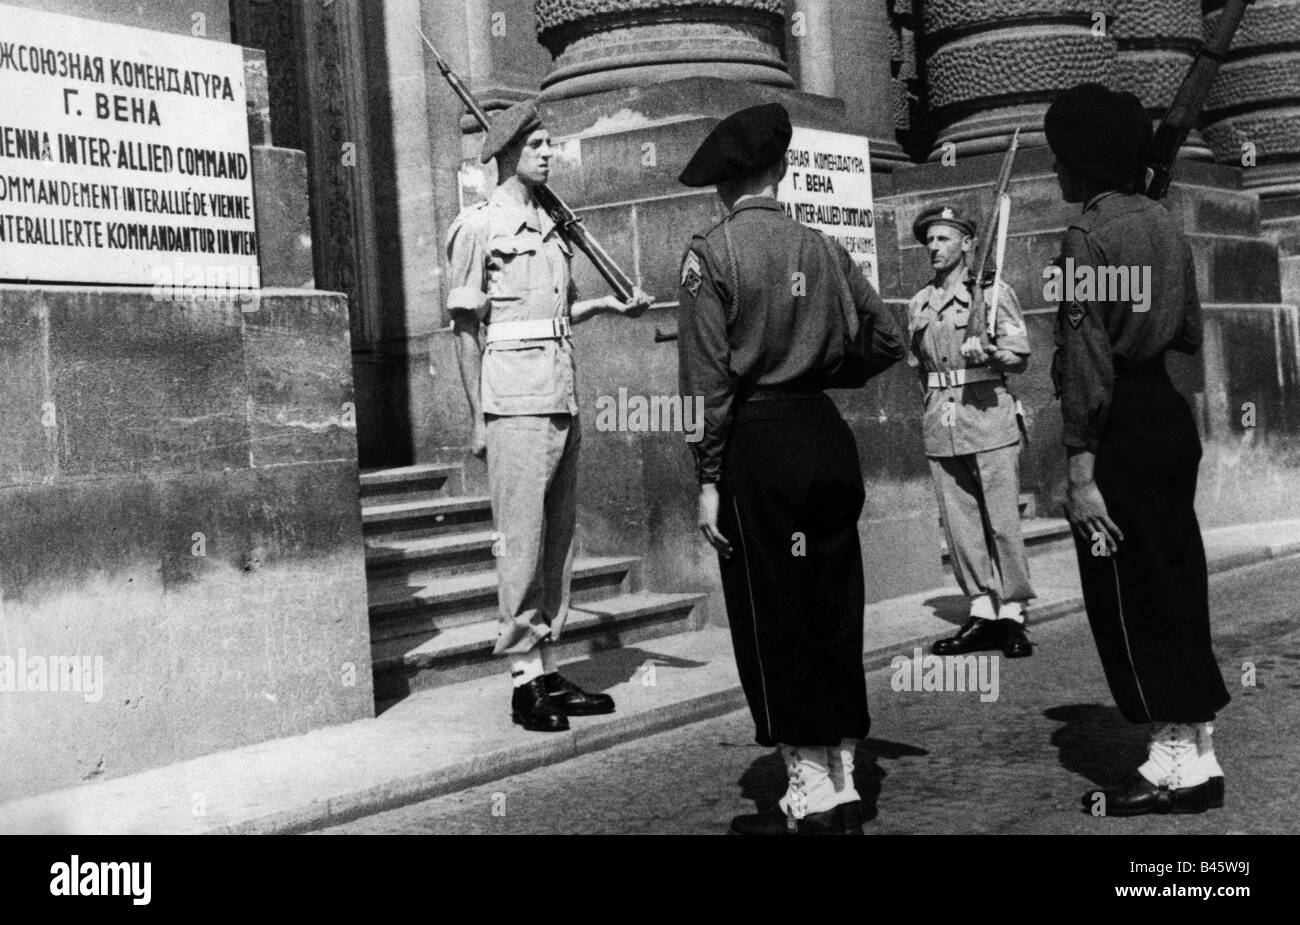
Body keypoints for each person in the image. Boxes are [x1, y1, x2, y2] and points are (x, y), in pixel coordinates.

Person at [676, 102, 905, 835]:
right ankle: (841, 761)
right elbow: (888, 338)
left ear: (723, 184)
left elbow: (707, 386)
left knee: (772, 610)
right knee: (833, 600)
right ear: (780, 170)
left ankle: (806, 774)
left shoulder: (711, 253)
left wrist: (708, 480)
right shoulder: (824, 246)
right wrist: (826, 367)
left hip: (757, 443)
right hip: (823, 433)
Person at [1045, 83, 1230, 815]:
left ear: (1082, 165)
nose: (1056, 172)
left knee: (1128, 595)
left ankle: (1170, 762)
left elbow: (1086, 360)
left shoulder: (1086, 237)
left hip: (1117, 422)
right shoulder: (1161, 220)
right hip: (1165, 412)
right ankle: (1198, 749)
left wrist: (1080, 466)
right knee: (1174, 582)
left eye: (1062, 158)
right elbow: (1186, 329)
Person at [446, 99, 653, 733]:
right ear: (507, 151)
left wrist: (612, 310)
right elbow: (464, 331)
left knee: (557, 540)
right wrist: (478, 418)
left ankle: (546, 666)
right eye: (537, 143)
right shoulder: (477, 226)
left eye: (550, 143)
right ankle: (520, 679)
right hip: (512, 401)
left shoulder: (554, 224)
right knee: (521, 539)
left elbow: (556, 315)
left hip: (559, 393)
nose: (547, 152)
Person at [907, 206, 1035, 658]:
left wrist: (994, 353)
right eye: (930, 240)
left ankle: (1014, 614)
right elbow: (919, 368)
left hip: (987, 415)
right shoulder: (920, 302)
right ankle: (981, 609)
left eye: (944, 239)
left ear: (967, 244)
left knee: (1002, 521)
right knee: (960, 524)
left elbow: (1020, 356)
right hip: (942, 421)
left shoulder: (994, 294)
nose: (934, 248)